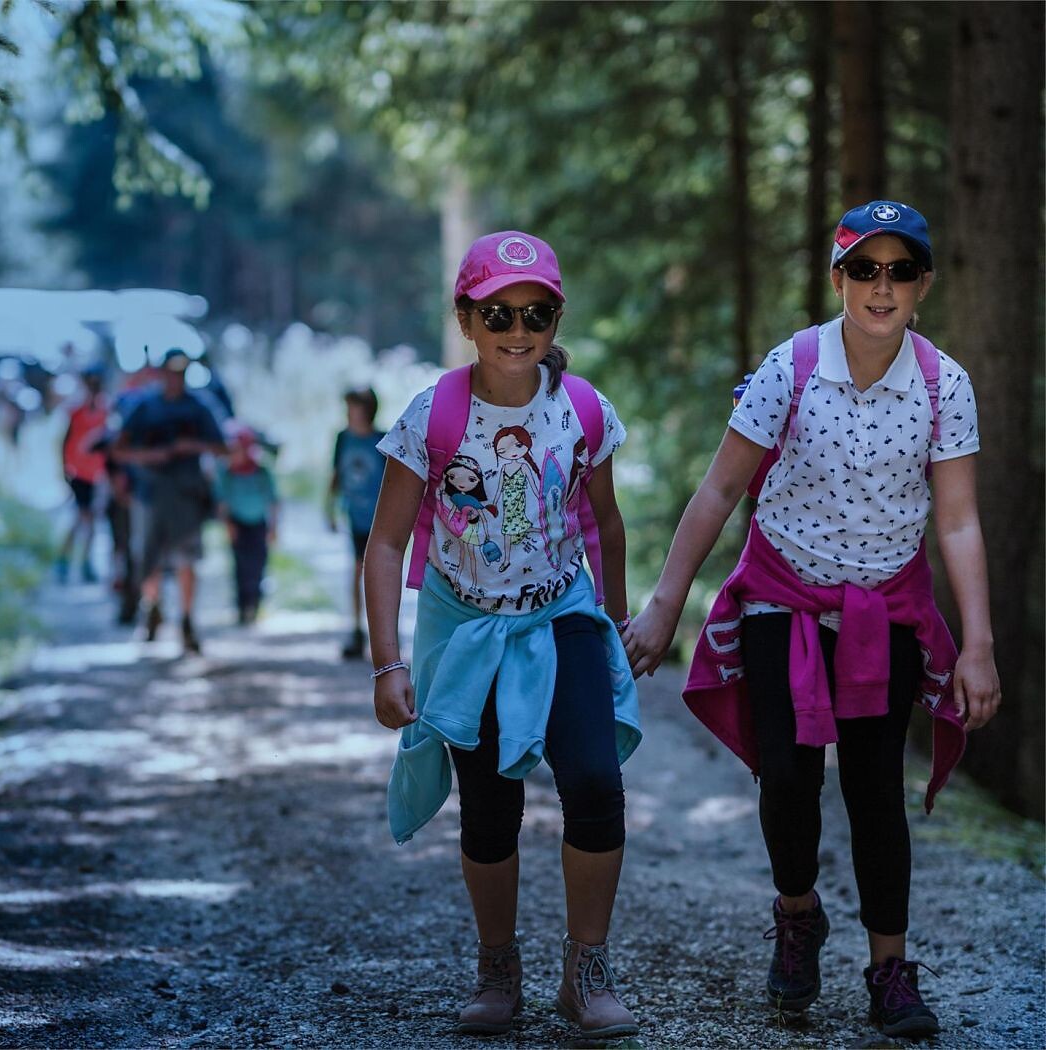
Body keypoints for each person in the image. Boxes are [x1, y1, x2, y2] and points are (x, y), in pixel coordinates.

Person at [623, 201, 1001, 1039]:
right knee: (789, 779)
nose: (882, 285)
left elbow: (959, 519)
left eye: (901, 270)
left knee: (874, 791)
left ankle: (888, 970)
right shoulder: (789, 369)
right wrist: (663, 603)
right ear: (838, 279)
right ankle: (798, 918)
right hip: (781, 604)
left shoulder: (944, 385)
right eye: (864, 268)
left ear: (924, 285)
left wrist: (977, 644)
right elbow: (721, 490)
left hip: (883, 613)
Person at [366, 231, 642, 1039]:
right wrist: (388, 660)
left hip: (565, 620)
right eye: (498, 313)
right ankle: (498, 969)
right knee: (490, 807)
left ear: (556, 317)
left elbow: (607, 527)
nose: (517, 330)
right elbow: (385, 545)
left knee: (594, 780)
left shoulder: (582, 409)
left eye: (537, 313)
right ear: (466, 317)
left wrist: (616, 626)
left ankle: (586, 972)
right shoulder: (434, 416)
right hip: (470, 631)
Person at [112, 348, 227, 655]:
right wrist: (149, 457)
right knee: (148, 557)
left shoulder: (199, 407)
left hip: (187, 496)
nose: (175, 378)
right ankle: (152, 610)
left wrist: (193, 446)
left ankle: (187, 620)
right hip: (149, 495)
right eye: (171, 372)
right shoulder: (143, 406)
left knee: (186, 559)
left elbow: (222, 447)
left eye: (181, 372)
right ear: (161, 373)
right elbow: (118, 449)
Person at [328, 388, 387, 658]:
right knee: (356, 571)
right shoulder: (342, 439)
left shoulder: (382, 440)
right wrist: (329, 508)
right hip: (355, 515)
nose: (350, 413)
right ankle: (356, 628)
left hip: (380, 518)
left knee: (378, 574)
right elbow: (336, 474)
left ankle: (382, 635)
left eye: (354, 407)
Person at [216, 422, 279, 624]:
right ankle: (242, 607)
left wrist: (273, 527)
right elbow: (222, 502)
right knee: (240, 567)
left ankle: (255, 603)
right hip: (238, 525)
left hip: (258, 525)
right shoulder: (227, 474)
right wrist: (228, 525)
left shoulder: (261, 472)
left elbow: (273, 501)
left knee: (257, 565)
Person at [56, 370, 108, 584]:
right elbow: (65, 440)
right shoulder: (76, 411)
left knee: (91, 520)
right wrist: (64, 469)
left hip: (98, 474)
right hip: (78, 473)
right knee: (81, 518)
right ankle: (64, 561)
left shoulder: (106, 409)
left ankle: (85, 562)